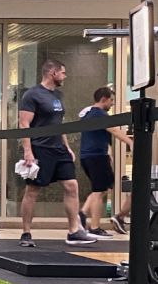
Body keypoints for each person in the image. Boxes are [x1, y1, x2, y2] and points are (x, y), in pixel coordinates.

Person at [18, 59, 97, 247]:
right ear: (53, 73)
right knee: (32, 190)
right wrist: (28, 151)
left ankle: (74, 232)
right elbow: (23, 124)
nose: (65, 76)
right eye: (63, 73)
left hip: (59, 149)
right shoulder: (32, 95)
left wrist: (67, 146)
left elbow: (57, 123)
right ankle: (26, 233)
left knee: (72, 185)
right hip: (40, 148)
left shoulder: (58, 95)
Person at [78, 87, 133, 236]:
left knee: (100, 189)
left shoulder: (88, 113)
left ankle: (82, 214)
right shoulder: (101, 115)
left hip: (89, 156)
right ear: (103, 99)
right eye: (111, 100)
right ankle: (95, 227)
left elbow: (98, 136)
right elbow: (115, 131)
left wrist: (108, 152)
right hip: (96, 157)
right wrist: (130, 142)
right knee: (98, 191)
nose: (113, 103)